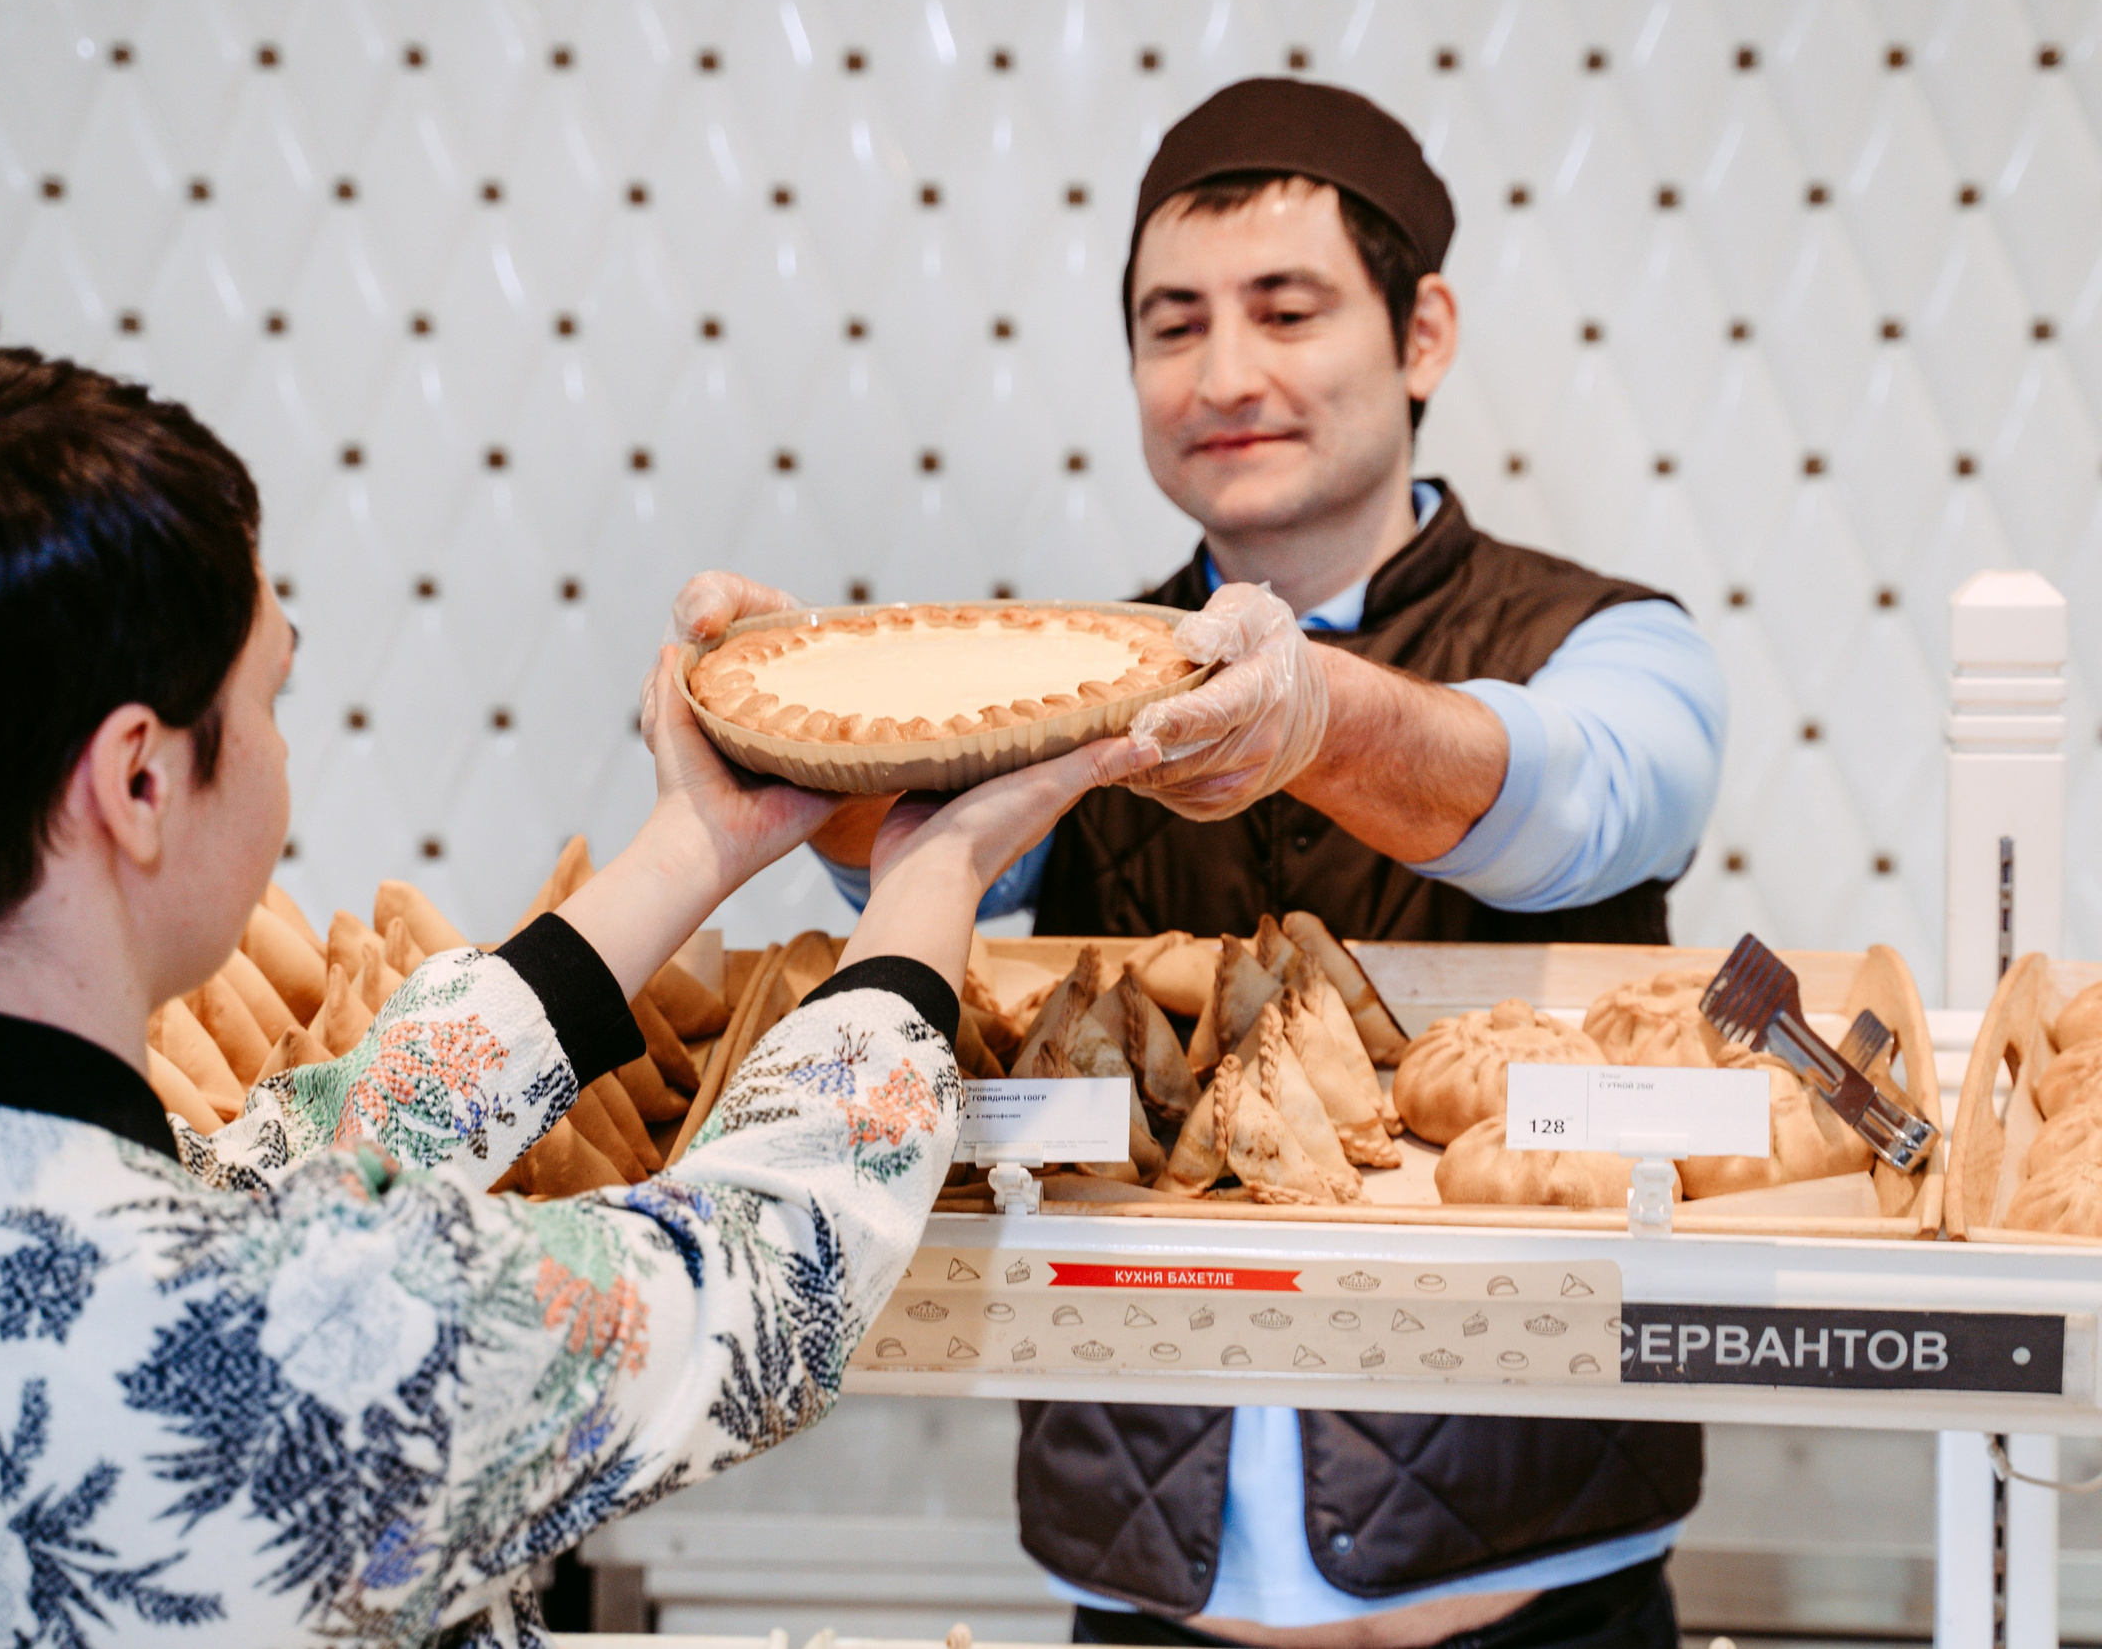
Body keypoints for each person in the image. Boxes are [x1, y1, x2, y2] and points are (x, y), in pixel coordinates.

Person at [0, 349, 1155, 1649]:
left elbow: (279, 1168)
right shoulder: (315, 1349)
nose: (276, 745)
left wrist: (703, 842)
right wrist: (936, 873)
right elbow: (769, 1277)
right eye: (267, 692)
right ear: (141, 777)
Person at [683, 81, 1725, 1648]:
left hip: (1542, 1595)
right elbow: (939, 890)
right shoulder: (1077, 680)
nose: (1226, 373)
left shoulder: (1610, 642)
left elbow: (1580, 801)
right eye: (1173, 326)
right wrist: (805, 750)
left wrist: (1324, 714)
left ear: (1421, 333)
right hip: (1147, 1600)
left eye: (1286, 310)